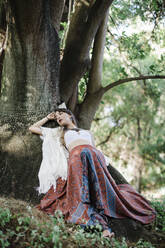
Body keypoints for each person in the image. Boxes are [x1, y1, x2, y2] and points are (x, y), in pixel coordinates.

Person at [29, 108, 156, 239]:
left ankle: (107, 221)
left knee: (100, 193)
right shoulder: (59, 132)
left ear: (70, 116)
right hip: (77, 160)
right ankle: (102, 228)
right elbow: (32, 128)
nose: (58, 118)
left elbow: (93, 148)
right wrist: (48, 118)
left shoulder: (87, 133)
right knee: (81, 195)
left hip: (95, 158)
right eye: (56, 118)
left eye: (61, 114)